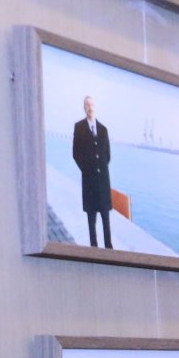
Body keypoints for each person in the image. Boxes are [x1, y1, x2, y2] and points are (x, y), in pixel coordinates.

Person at [71, 95, 112, 249]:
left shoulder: (103, 130)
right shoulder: (79, 127)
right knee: (91, 217)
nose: (90, 108)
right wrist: (87, 170)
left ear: (95, 107)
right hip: (89, 181)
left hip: (103, 182)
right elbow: (76, 154)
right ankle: (94, 247)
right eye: (87, 105)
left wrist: (100, 169)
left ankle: (109, 247)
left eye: (92, 105)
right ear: (84, 108)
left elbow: (107, 155)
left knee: (105, 217)